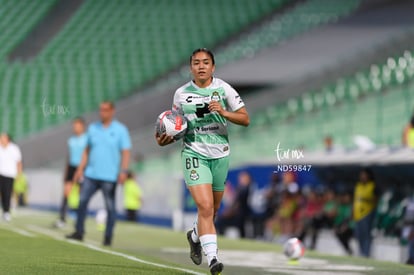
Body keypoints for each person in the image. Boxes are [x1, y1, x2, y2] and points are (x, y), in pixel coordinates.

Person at [155, 48, 249, 275]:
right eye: (196, 62)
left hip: (220, 154)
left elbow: (245, 118)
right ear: (191, 67)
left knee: (213, 211)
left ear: (213, 67)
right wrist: (164, 139)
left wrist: (225, 113)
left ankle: (195, 235)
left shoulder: (223, 88)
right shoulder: (181, 94)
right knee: (205, 207)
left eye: (205, 62)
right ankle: (213, 259)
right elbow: (174, 124)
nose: (201, 66)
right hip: (194, 153)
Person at [66, 101, 131, 246]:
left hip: (110, 176)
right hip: (91, 174)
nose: (102, 112)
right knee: (81, 201)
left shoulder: (120, 130)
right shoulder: (93, 128)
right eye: (101, 110)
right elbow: (86, 150)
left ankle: (108, 237)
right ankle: (79, 231)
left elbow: (125, 152)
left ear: (112, 111)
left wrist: (124, 170)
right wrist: (80, 169)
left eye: (106, 110)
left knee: (110, 207)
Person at [55, 117, 87, 228]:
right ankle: (62, 219)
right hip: (72, 167)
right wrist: (66, 172)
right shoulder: (71, 140)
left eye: (77, 125)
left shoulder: (86, 139)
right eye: (74, 125)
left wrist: (82, 170)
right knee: (66, 193)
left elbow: (87, 155)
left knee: (81, 195)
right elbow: (69, 156)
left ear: (82, 126)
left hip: (83, 168)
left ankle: (79, 219)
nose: (75, 128)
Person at [215, 171, 251, 238]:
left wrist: (229, 213)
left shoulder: (245, 189)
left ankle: (221, 237)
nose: (241, 179)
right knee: (220, 220)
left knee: (220, 221)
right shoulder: (241, 188)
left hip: (240, 215)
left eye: (243, 178)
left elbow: (237, 204)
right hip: (239, 214)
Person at [353, 167, 379, 257]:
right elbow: (355, 200)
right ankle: (361, 253)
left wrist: (367, 200)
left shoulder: (372, 185)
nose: (362, 177)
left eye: (364, 175)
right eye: (361, 175)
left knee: (366, 235)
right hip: (358, 214)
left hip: (367, 213)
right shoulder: (358, 186)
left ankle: (366, 254)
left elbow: (376, 200)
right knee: (359, 235)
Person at [0, 133, 23, 221]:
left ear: (7, 139)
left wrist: (19, 174)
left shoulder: (14, 148)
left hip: (10, 174)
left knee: (7, 193)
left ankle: (6, 212)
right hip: (0, 173)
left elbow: (19, 162)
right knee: (2, 193)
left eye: (2, 138)